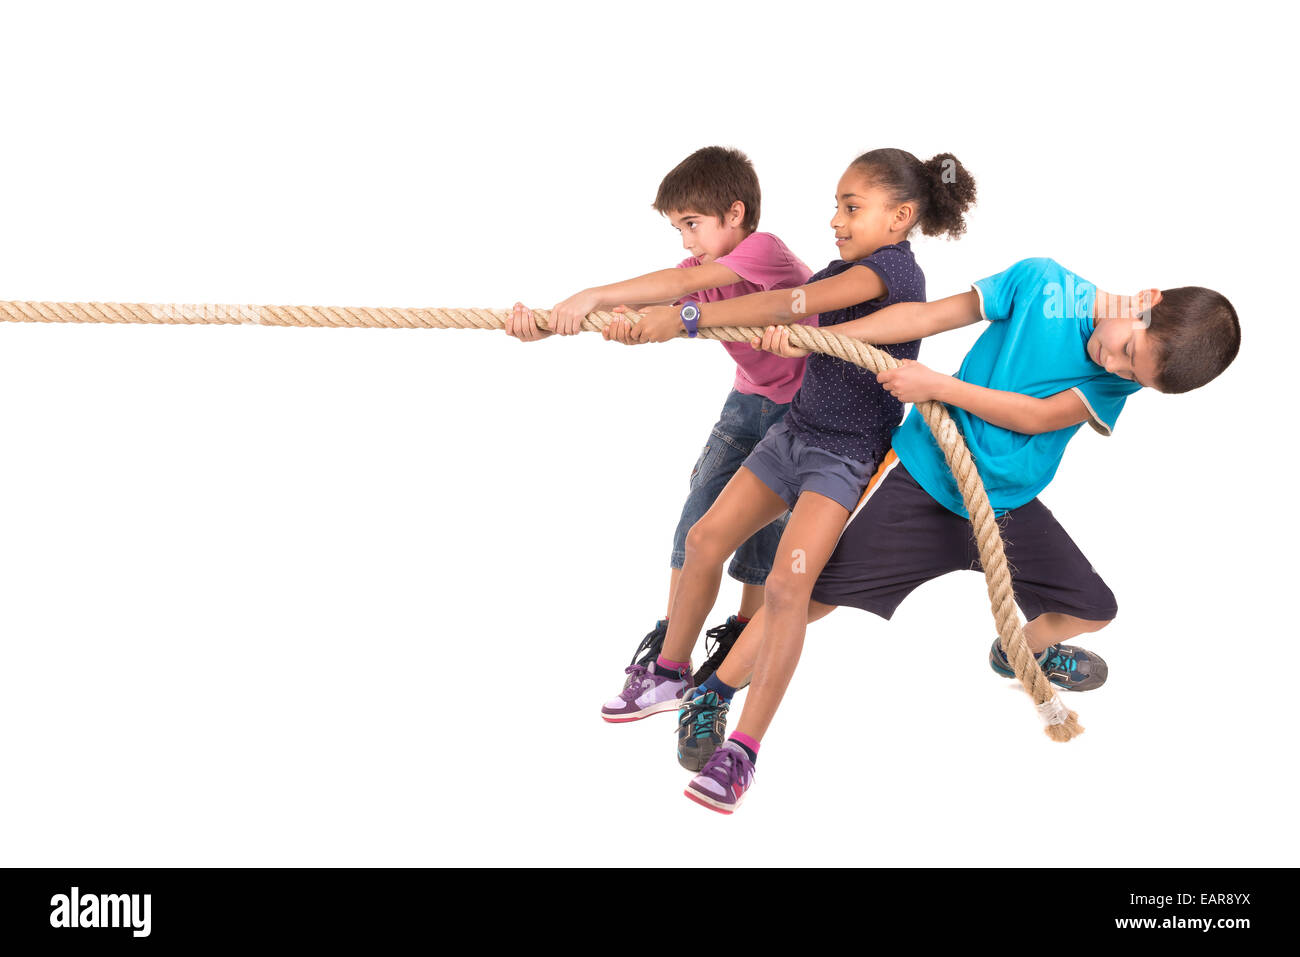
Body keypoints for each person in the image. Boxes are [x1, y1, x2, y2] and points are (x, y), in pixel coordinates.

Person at [681, 259, 1241, 813]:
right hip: (923, 487)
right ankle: (716, 693)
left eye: (1132, 375)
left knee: (1094, 608)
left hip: (1003, 507)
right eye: (1127, 354)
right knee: (804, 600)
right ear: (1144, 299)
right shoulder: (1041, 283)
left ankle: (1018, 654)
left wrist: (939, 385)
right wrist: (820, 339)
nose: (1116, 367)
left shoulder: (1120, 379)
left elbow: (1036, 417)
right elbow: (928, 317)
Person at [602, 148, 977, 771]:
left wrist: (687, 319)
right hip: (792, 435)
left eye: (851, 206)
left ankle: (742, 749)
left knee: (785, 585)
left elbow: (789, 306)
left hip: (844, 458)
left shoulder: (893, 274)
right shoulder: (841, 266)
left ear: (901, 216)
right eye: (836, 205)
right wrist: (652, 317)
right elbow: (781, 310)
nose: (835, 218)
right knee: (703, 539)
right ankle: (671, 671)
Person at [505, 145, 816, 711]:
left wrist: (598, 294)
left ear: (736, 214)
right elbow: (656, 293)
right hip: (748, 404)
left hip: (803, 413)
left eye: (692, 226)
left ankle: (736, 640)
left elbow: (685, 291)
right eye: (678, 229)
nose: (686, 243)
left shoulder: (763, 251)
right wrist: (551, 324)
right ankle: (671, 650)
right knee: (698, 521)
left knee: (766, 534)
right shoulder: (697, 275)